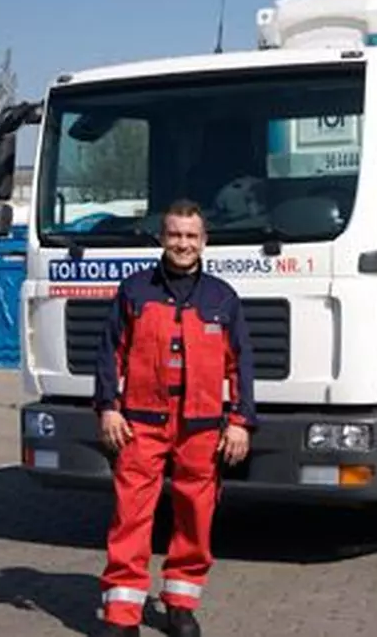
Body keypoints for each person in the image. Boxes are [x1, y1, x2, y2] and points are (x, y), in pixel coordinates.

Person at [92, 199, 256, 637]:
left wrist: (240, 422)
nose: (183, 243)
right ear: (162, 238)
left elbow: (241, 365)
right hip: (140, 423)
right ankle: (122, 614)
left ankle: (181, 604)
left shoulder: (222, 298)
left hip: (201, 425)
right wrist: (108, 407)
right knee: (131, 514)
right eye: (175, 235)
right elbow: (109, 353)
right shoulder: (135, 291)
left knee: (195, 515)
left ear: (204, 241)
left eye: (191, 236)